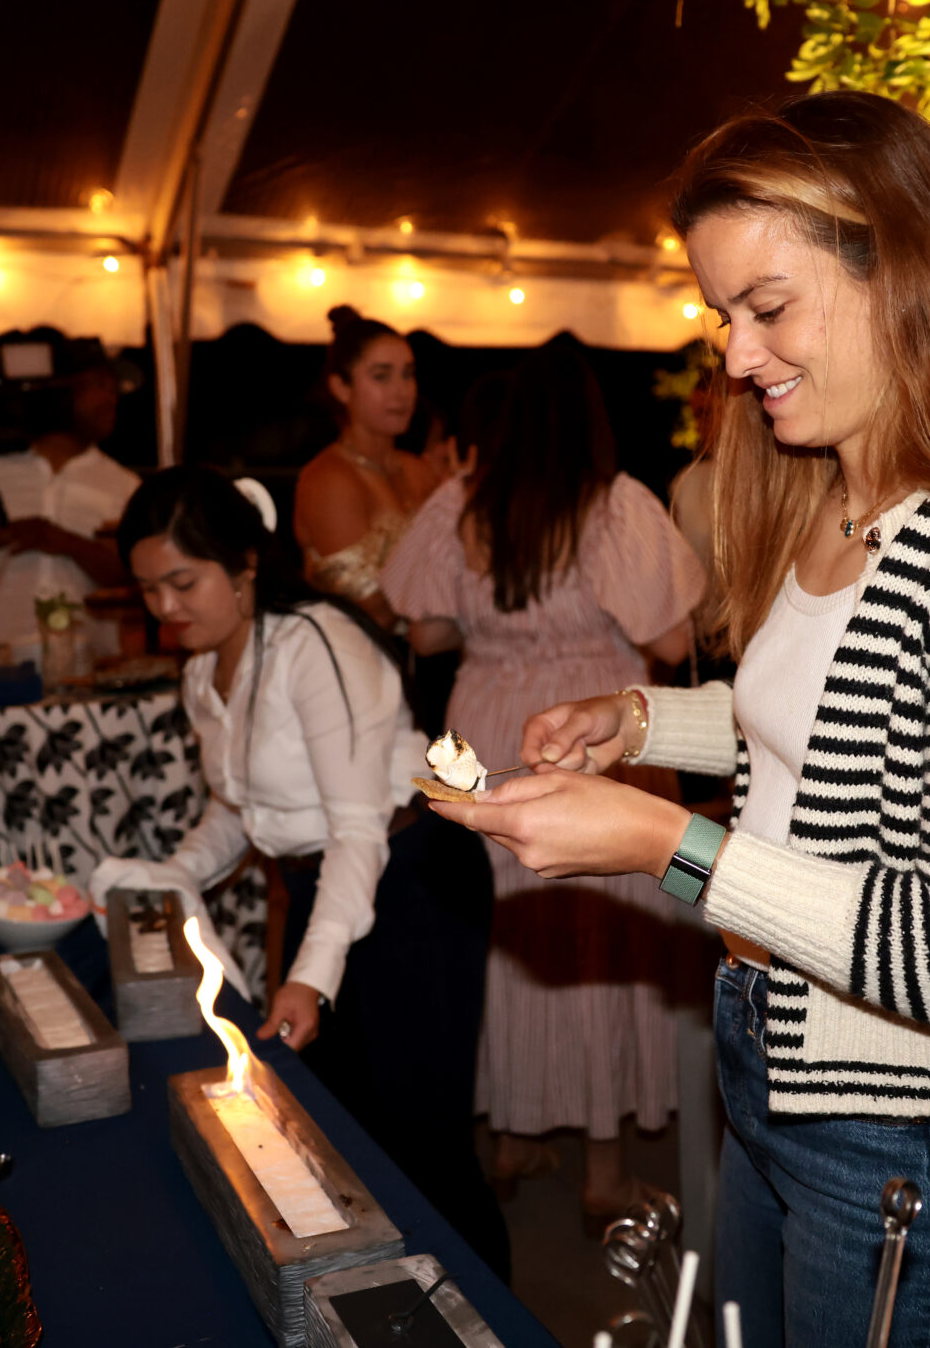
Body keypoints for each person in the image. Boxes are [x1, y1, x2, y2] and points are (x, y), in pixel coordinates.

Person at [430, 91, 930, 1347]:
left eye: (769, 307)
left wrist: (666, 847)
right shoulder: (836, 500)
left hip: (919, 1147)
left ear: (909, 271)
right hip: (772, 1073)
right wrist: (643, 724)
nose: (735, 354)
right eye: (723, 315)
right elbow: (839, 729)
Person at [94, 465, 510, 1279]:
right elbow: (245, 810)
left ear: (245, 565)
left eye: (183, 582)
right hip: (334, 887)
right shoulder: (203, 667)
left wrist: (310, 980)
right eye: (149, 591)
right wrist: (171, 875)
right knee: (336, 1130)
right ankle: (375, 1299)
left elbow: (357, 829)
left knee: (421, 1138)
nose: (166, 609)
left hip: (412, 875)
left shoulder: (317, 642)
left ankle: (491, 1309)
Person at [382, 340, 705, 1231]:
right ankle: (604, 1170)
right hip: (588, 730)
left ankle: (510, 1141)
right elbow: (675, 646)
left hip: (482, 729)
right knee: (599, 940)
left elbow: (428, 631)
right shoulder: (614, 506)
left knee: (495, 938)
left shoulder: (462, 502)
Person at [0, 331, 139, 664]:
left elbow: (136, 574)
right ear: (54, 392)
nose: (112, 397)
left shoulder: (124, 483)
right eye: (97, 385)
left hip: (90, 668)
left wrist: (65, 542)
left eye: (112, 386)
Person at [293, 306, 438, 628]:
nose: (401, 391)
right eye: (381, 376)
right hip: (354, 659)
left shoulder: (418, 470)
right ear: (341, 387)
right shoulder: (328, 480)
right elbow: (368, 609)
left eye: (408, 374)